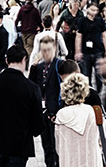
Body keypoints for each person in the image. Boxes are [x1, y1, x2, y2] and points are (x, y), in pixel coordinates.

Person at [0, 45, 44, 167]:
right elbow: (38, 125)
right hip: (19, 147)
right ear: (24, 59)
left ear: (7, 60)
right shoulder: (32, 88)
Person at [29, 36, 64, 167]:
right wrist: (33, 66)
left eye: (48, 50)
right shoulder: (38, 67)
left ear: (54, 49)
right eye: (43, 50)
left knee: (57, 146)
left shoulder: (59, 65)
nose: (46, 53)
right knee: (46, 144)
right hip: (43, 111)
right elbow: (32, 86)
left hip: (56, 110)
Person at [54, 73, 103, 167]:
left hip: (69, 162)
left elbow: (58, 147)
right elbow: (100, 140)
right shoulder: (91, 111)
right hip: (91, 162)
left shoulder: (60, 115)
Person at [75, 3, 106, 93]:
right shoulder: (82, 21)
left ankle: (98, 92)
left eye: (96, 10)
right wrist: (78, 51)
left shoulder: (100, 21)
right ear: (88, 9)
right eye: (92, 10)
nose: (94, 12)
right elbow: (78, 36)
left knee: (99, 74)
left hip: (98, 50)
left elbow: (104, 35)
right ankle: (89, 92)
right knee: (86, 75)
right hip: (85, 51)